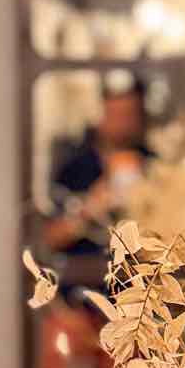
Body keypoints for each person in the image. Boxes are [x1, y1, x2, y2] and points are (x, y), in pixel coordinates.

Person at [43, 74, 153, 255]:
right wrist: (89, 210)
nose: (121, 124)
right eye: (114, 114)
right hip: (86, 275)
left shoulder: (156, 166)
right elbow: (49, 239)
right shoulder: (75, 169)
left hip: (141, 277)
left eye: (128, 115)